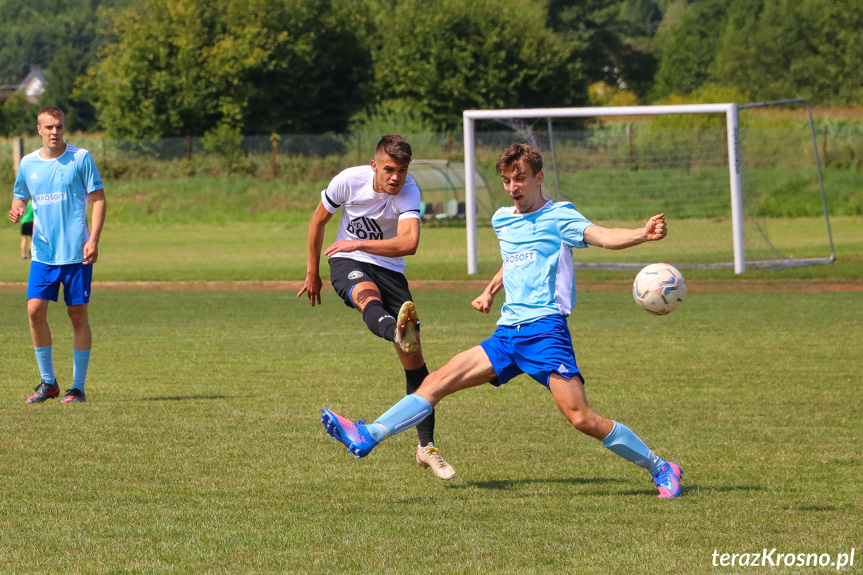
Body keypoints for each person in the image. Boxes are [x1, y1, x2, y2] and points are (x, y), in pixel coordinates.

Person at [321, 143, 683, 498]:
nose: (514, 188)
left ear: (539, 178)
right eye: (508, 180)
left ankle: (659, 466)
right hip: (507, 333)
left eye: (521, 178)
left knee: (581, 418)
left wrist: (641, 234)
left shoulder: (560, 217)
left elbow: (602, 236)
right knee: (436, 381)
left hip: (545, 331)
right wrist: (491, 291)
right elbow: (513, 260)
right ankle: (369, 434)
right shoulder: (502, 220)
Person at [298, 134, 455, 480]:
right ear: (374, 166)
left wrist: (360, 241)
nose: (395, 177)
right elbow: (317, 222)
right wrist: (313, 272)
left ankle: (426, 447)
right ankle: (397, 331)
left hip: (390, 268)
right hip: (347, 260)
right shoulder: (348, 181)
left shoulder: (409, 190)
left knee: (417, 370)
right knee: (366, 296)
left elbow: (409, 243)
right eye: (388, 169)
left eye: (401, 170)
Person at [8, 106, 106, 404]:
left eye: (59, 127)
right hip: (42, 254)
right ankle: (48, 383)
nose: (54, 132)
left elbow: (99, 199)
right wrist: (17, 207)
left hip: (76, 253)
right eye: (49, 127)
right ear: (39, 129)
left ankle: (77, 388)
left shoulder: (80, 158)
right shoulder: (27, 163)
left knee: (77, 316)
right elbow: (20, 195)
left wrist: (94, 239)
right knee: (34, 311)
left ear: (65, 128)